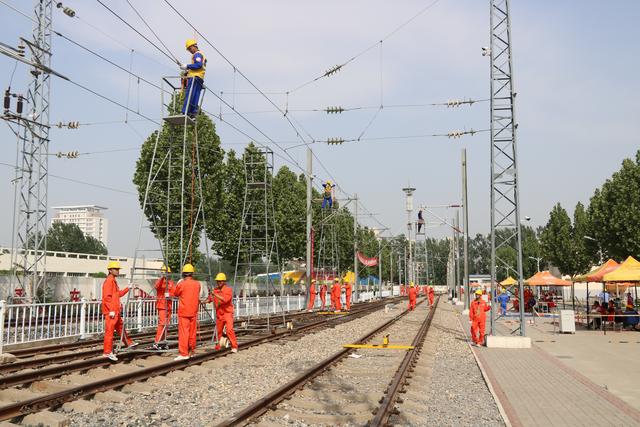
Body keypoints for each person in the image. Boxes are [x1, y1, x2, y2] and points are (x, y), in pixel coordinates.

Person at [102, 261, 137, 361]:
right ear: (110, 270)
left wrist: (127, 288)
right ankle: (107, 352)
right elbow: (106, 297)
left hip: (115, 311)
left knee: (121, 328)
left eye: (118, 269)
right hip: (111, 312)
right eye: (116, 269)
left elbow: (118, 294)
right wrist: (110, 310)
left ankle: (129, 343)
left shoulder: (113, 281)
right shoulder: (109, 281)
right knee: (109, 332)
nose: (118, 271)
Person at [173, 264, 201, 360]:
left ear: (183, 274)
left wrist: (178, 284)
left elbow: (175, 293)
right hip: (194, 311)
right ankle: (191, 351)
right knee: (192, 333)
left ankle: (183, 354)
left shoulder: (182, 284)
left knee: (184, 333)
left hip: (184, 312)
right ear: (192, 273)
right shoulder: (197, 284)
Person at [206, 272, 238, 353]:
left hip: (227, 313)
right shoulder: (215, 290)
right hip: (219, 314)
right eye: (217, 281)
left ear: (224, 281)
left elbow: (225, 299)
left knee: (229, 330)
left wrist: (214, 294)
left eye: (220, 281)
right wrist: (201, 302)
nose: (219, 282)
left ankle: (234, 346)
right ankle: (218, 346)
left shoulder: (228, 290)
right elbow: (209, 299)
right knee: (218, 331)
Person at [179, 39, 206, 118]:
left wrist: (187, 66)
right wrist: (188, 71)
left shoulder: (197, 54)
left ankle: (185, 112)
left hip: (194, 78)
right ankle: (193, 114)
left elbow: (198, 65)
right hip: (199, 78)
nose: (190, 51)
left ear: (194, 46)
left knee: (190, 94)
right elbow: (199, 67)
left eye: (190, 48)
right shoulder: (200, 54)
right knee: (195, 96)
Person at [154, 265, 176, 349]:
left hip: (169, 306)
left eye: (167, 273)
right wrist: (162, 278)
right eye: (164, 272)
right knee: (162, 324)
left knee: (166, 325)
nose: (166, 274)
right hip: (162, 306)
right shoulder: (159, 281)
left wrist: (169, 295)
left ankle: (163, 341)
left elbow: (174, 293)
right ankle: (157, 341)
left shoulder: (171, 283)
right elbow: (156, 287)